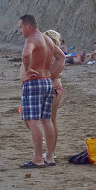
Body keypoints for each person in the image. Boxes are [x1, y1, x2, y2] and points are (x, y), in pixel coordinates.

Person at [18, 15, 56, 169]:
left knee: (32, 120)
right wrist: (52, 73)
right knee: (46, 119)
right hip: (47, 81)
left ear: (28, 26)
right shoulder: (47, 39)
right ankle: (50, 157)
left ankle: (38, 158)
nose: (20, 31)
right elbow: (60, 57)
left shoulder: (32, 39)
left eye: (20, 27)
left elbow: (26, 54)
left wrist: (27, 69)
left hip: (34, 82)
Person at [42, 30, 65, 157]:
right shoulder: (46, 52)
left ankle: (52, 151)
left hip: (55, 88)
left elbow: (58, 73)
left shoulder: (57, 54)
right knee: (44, 120)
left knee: (51, 120)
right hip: (51, 88)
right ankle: (49, 145)